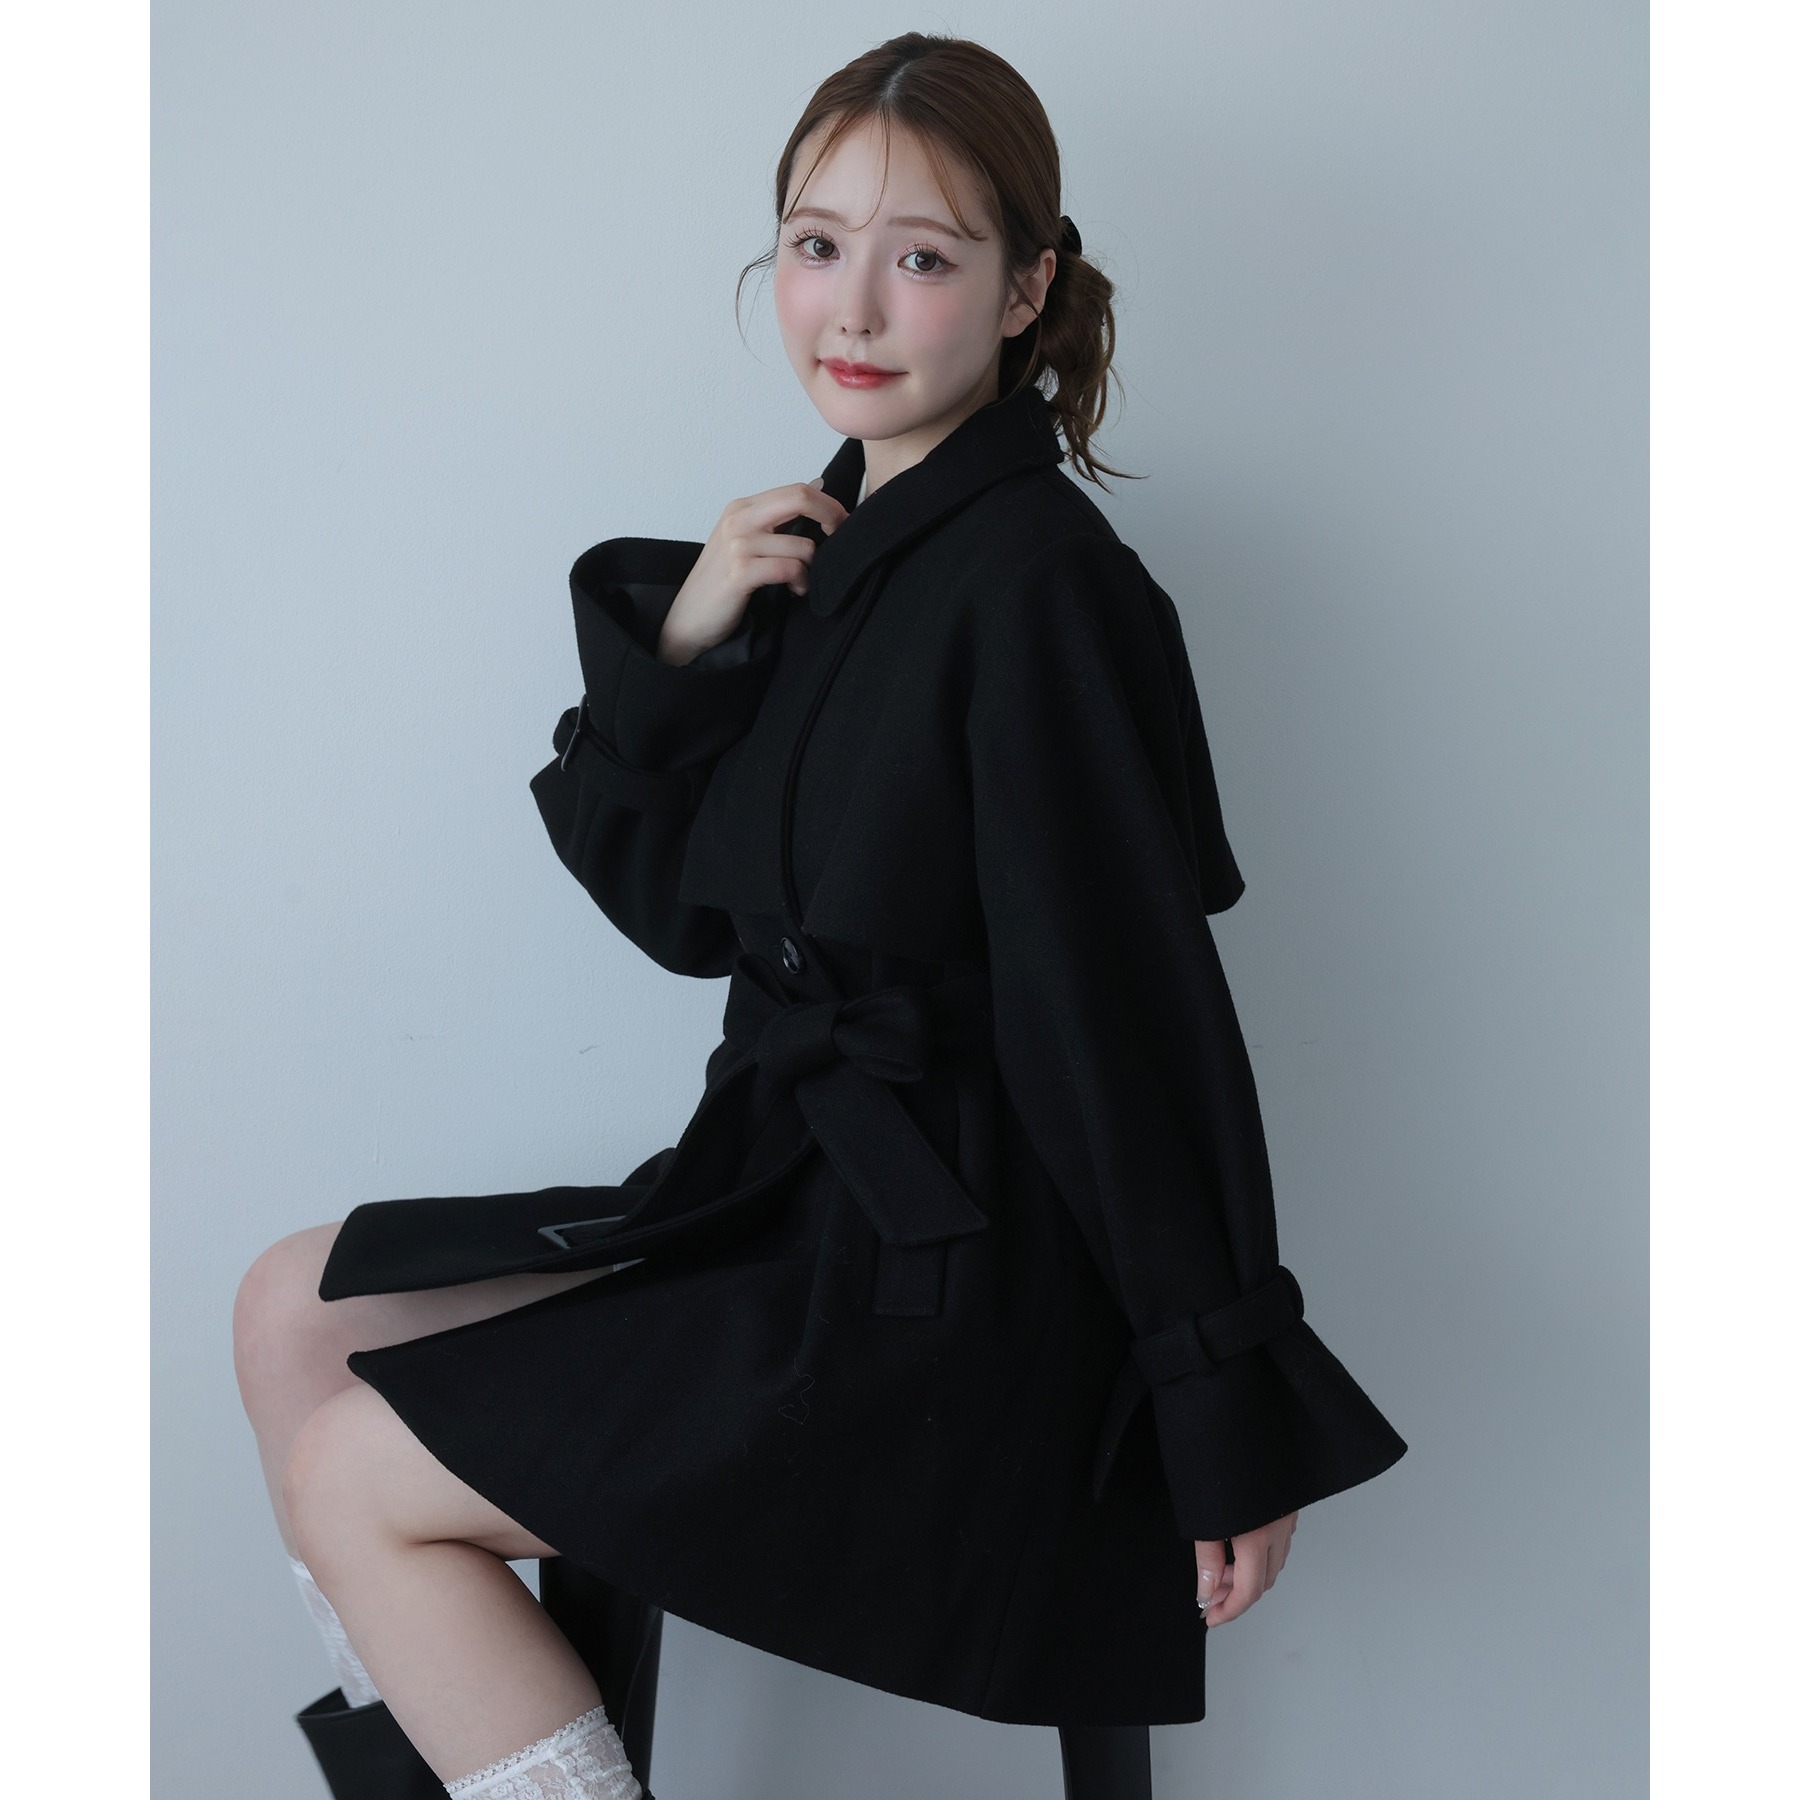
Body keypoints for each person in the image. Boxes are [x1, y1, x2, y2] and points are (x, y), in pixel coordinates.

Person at [233, 31, 1407, 1800]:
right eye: (814, 243)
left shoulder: (1045, 588)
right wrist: (691, 638)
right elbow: (686, 920)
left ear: (1027, 289)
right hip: (786, 1207)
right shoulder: (830, 544)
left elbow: (1130, 1020)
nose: (851, 307)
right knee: (291, 1312)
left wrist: (1217, 1388)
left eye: (921, 256)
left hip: (950, 1292)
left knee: (351, 1474)